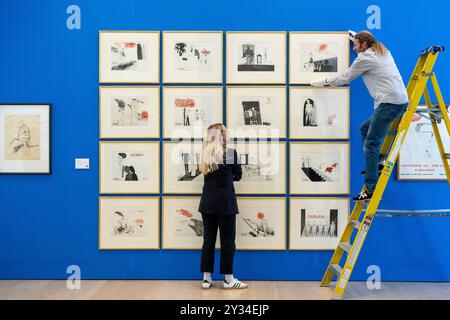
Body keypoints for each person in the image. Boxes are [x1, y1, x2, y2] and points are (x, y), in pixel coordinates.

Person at [311, 30, 409, 201]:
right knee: (364, 128)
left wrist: (324, 82)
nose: (354, 49)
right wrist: (355, 36)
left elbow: (346, 77)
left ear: (364, 45)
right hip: (399, 102)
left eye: (356, 45)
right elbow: (368, 42)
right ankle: (378, 161)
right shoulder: (382, 51)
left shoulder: (365, 58)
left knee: (371, 143)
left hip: (388, 104)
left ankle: (370, 189)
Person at [198, 123, 248, 290]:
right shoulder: (231, 154)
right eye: (225, 131)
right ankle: (228, 279)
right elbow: (239, 176)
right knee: (228, 242)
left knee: (208, 241)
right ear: (220, 135)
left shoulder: (204, 154)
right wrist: (227, 178)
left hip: (207, 203)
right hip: (225, 203)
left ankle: (206, 279)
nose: (227, 133)